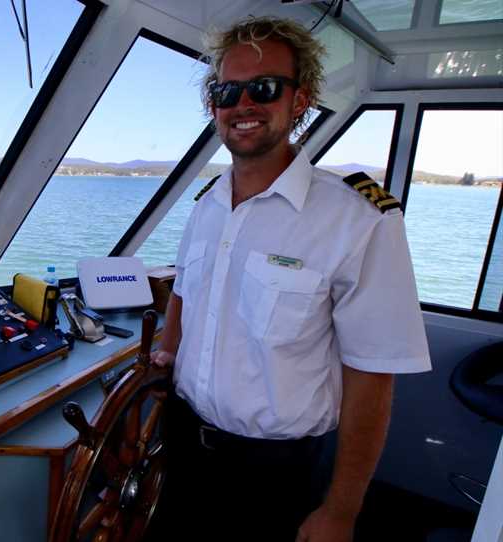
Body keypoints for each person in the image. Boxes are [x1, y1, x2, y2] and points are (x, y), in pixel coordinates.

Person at [148, 16, 432, 541]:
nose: (243, 104)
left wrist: (340, 511)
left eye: (264, 87)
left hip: (275, 469)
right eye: (226, 91)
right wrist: (166, 357)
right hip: (183, 443)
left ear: (300, 100)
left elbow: (372, 377)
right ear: (214, 105)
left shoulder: (358, 219)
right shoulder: (205, 206)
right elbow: (184, 295)